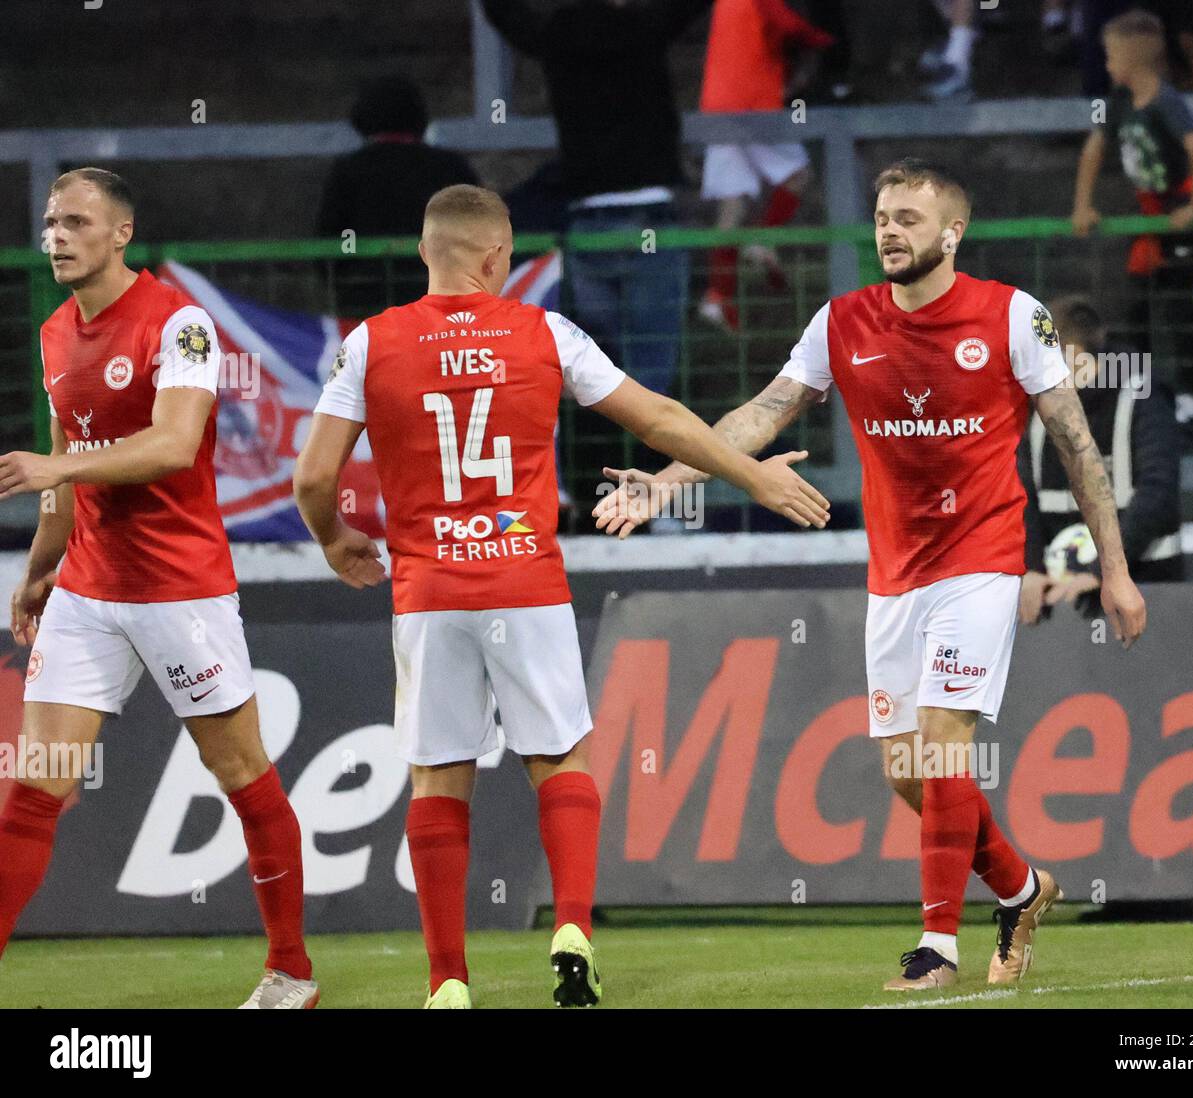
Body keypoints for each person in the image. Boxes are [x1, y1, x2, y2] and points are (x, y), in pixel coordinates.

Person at [594, 158, 1147, 991]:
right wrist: (664, 485)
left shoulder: (1013, 316)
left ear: (952, 234)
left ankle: (937, 948)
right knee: (909, 777)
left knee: (944, 749)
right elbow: (757, 416)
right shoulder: (840, 321)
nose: (890, 230)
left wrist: (1117, 568)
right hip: (895, 572)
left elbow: (1075, 443)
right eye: (884, 217)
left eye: (909, 219)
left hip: (982, 559)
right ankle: (1023, 890)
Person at [292, 184, 829, 1009]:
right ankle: (572, 928)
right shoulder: (545, 332)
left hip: (430, 589)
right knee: (561, 763)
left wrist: (335, 539)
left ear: (425, 253)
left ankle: (447, 983)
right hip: (526, 581)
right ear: (499, 255)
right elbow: (657, 420)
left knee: (439, 779)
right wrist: (752, 475)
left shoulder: (371, 343)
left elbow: (314, 476)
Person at [0, 168, 316, 1009]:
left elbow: (174, 445)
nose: (56, 237)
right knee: (39, 785)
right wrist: (40, 570)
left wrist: (56, 463)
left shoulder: (182, 326)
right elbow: (68, 475)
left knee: (242, 773)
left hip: (180, 591)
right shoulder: (53, 333)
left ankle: (291, 973)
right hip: (89, 593)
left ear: (121, 233)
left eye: (74, 222)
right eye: (48, 223)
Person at [481, 0, 710, 398]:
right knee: (652, 370)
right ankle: (652, 453)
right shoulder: (646, 26)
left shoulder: (556, 35)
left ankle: (608, 449)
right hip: (650, 218)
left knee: (598, 370)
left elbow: (507, 14)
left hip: (588, 224)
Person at [1071, 9, 1193, 420]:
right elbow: (1094, 148)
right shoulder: (1118, 102)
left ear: (1133, 61)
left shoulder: (1167, 102)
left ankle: (1192, 399)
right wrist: (1083, 205)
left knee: (1181, 308)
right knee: (1137, 306)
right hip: (1149, 215)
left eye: (1111, 57)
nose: (1107, 65)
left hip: (1178, 215)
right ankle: (1140, 389)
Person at [1018, 294, 1182, 630]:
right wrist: (1030, 567)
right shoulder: (1036, 411)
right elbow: (1020, 496)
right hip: (1060, 604)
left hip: (1147, 591)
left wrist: (1105, 570)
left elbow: (1158, 496)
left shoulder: (1142, 397)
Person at [698, 0, 835, 332]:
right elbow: (790, 27)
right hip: (752, 107)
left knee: (733, 203)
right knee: (797, 175)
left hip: (717, 107)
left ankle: (717, 295)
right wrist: (823, 40)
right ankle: (764, 239)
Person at [318, 75, 480, 317]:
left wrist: (349, 278)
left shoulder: (349, 170)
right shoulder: (450, 167)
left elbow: (329, 239)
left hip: (368, 300)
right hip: (441, 300)